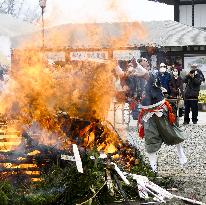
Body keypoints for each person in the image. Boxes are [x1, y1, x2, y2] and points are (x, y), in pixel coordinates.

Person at [137, 64, 187, 172]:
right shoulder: (134, 79)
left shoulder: (153, 76)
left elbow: (147, 75)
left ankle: (181, 153)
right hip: (147, 113)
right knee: (150, 139)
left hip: (160, 110)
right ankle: (153, 168)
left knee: (172, 133)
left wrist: (136, 65)